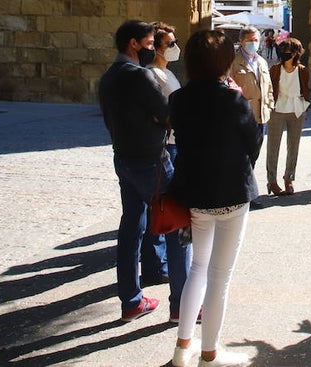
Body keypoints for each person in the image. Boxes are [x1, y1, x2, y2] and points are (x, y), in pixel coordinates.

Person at [169, 29, 262, 367]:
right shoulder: (233, 99)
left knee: (198, 267)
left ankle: (183, 347)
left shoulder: (179, 99)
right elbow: (253, 141)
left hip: (195, 192)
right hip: (232, 192)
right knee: (219, 277)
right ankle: (209, 353)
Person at [97, 20, 189, 322]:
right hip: (152, 159)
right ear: (133, 44)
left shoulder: (109, 77)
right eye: (149, 44)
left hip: (124, 157)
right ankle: (182, 305)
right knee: (178, 226)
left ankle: (131, 301)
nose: (152, 49)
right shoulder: (140, 76)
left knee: (131, 227)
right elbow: (167, 115)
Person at [143, 22, 181, 286]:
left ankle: (163, 259)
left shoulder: (168, 73)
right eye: (170, 43)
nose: (175, 47)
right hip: (165, 145)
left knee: (168, 202)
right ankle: (156, 264)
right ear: (157, 47)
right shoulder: (152, 75)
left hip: (175, 142)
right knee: (160, 204)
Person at [229, 26, 273, 203]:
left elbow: (269, 88)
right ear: (241, 41)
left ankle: (246, 191)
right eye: (250, 40)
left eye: (256, 40)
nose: (253, 43)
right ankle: (240, 193)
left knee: (253, 155)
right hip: (242, 118)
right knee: (241, 157)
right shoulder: (233, 62)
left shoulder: (261, 61)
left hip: (261, 117)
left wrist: (269, 106)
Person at [267, 37, 311, 196]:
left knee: (294, 146)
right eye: (283, 51)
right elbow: (269, 88)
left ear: (296, 53)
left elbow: (306, 89)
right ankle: (272, 181)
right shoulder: (275, 69)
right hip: (277, 110)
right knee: (273, 146)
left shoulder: (302, 70)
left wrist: (305, 107)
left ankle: (289, 178)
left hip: (296, 110)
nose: (285, 54)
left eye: (289, 51)